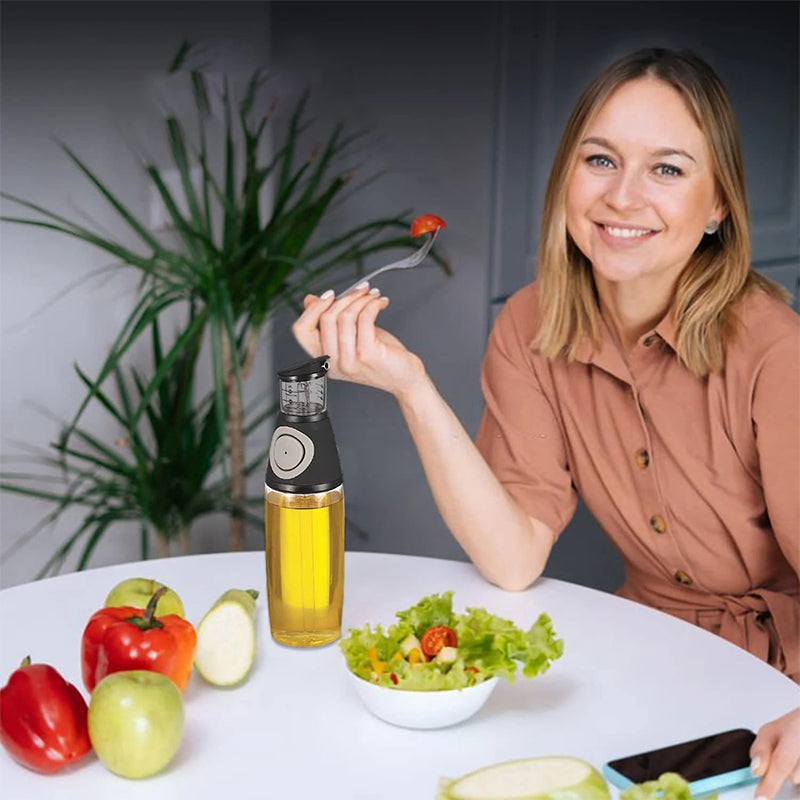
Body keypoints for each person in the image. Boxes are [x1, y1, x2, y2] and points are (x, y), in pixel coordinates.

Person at [292, 48, 800, 797]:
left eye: (667, 169)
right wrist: (411, 386)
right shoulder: (530, 325)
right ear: (567, 176)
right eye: (601, 159)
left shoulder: (775, 349)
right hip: (643, 655)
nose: (623, 197)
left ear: (719, 204)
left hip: (778, 690)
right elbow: (514, 556)